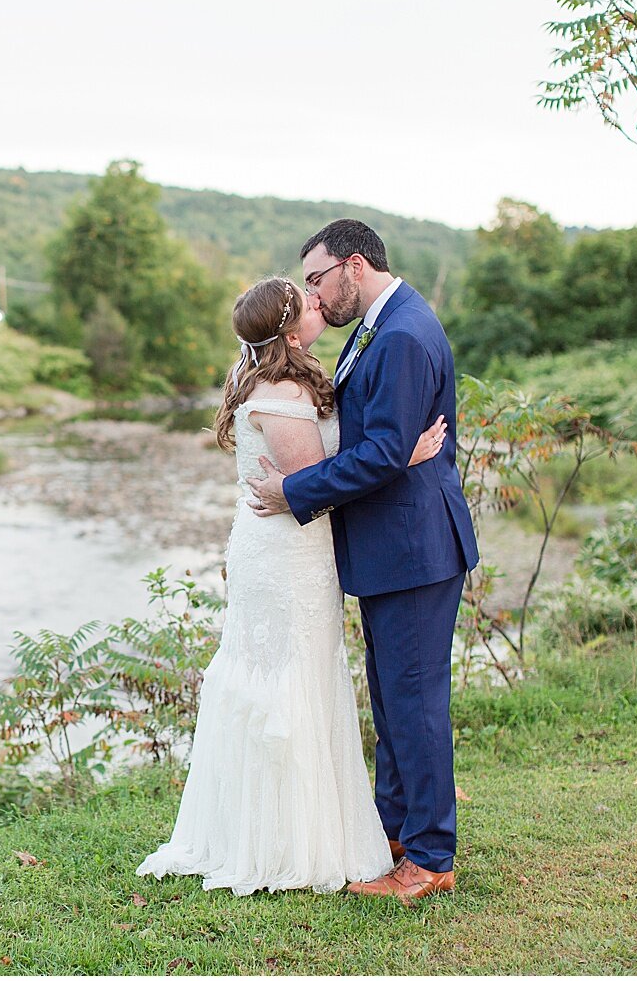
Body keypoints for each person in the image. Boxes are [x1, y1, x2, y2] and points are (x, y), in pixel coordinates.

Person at [135, 275, 447, 896]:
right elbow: (311, 476)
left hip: (290, 546)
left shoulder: (277, 371)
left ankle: (360, 830)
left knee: (305, 679)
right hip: (286, 553)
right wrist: (401, 456)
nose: (316, 302)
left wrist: (380, 454)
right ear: (289, 327)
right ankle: (286, 839)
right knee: (290, 680)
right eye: (305, 300)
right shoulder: (278, 386)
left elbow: (317, 471)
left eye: (315, 287)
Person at [246, 219, 480, 905]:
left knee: (416, 704)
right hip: (391, 546)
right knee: (394, 697)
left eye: (317, 279)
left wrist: (292, 490)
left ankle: (431, 857)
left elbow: (381, 453)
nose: (314, 296)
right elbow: (377, 438)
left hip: (413, 547)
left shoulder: (402, 334)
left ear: (353, 264)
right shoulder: (378, 326)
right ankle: (397, 831)